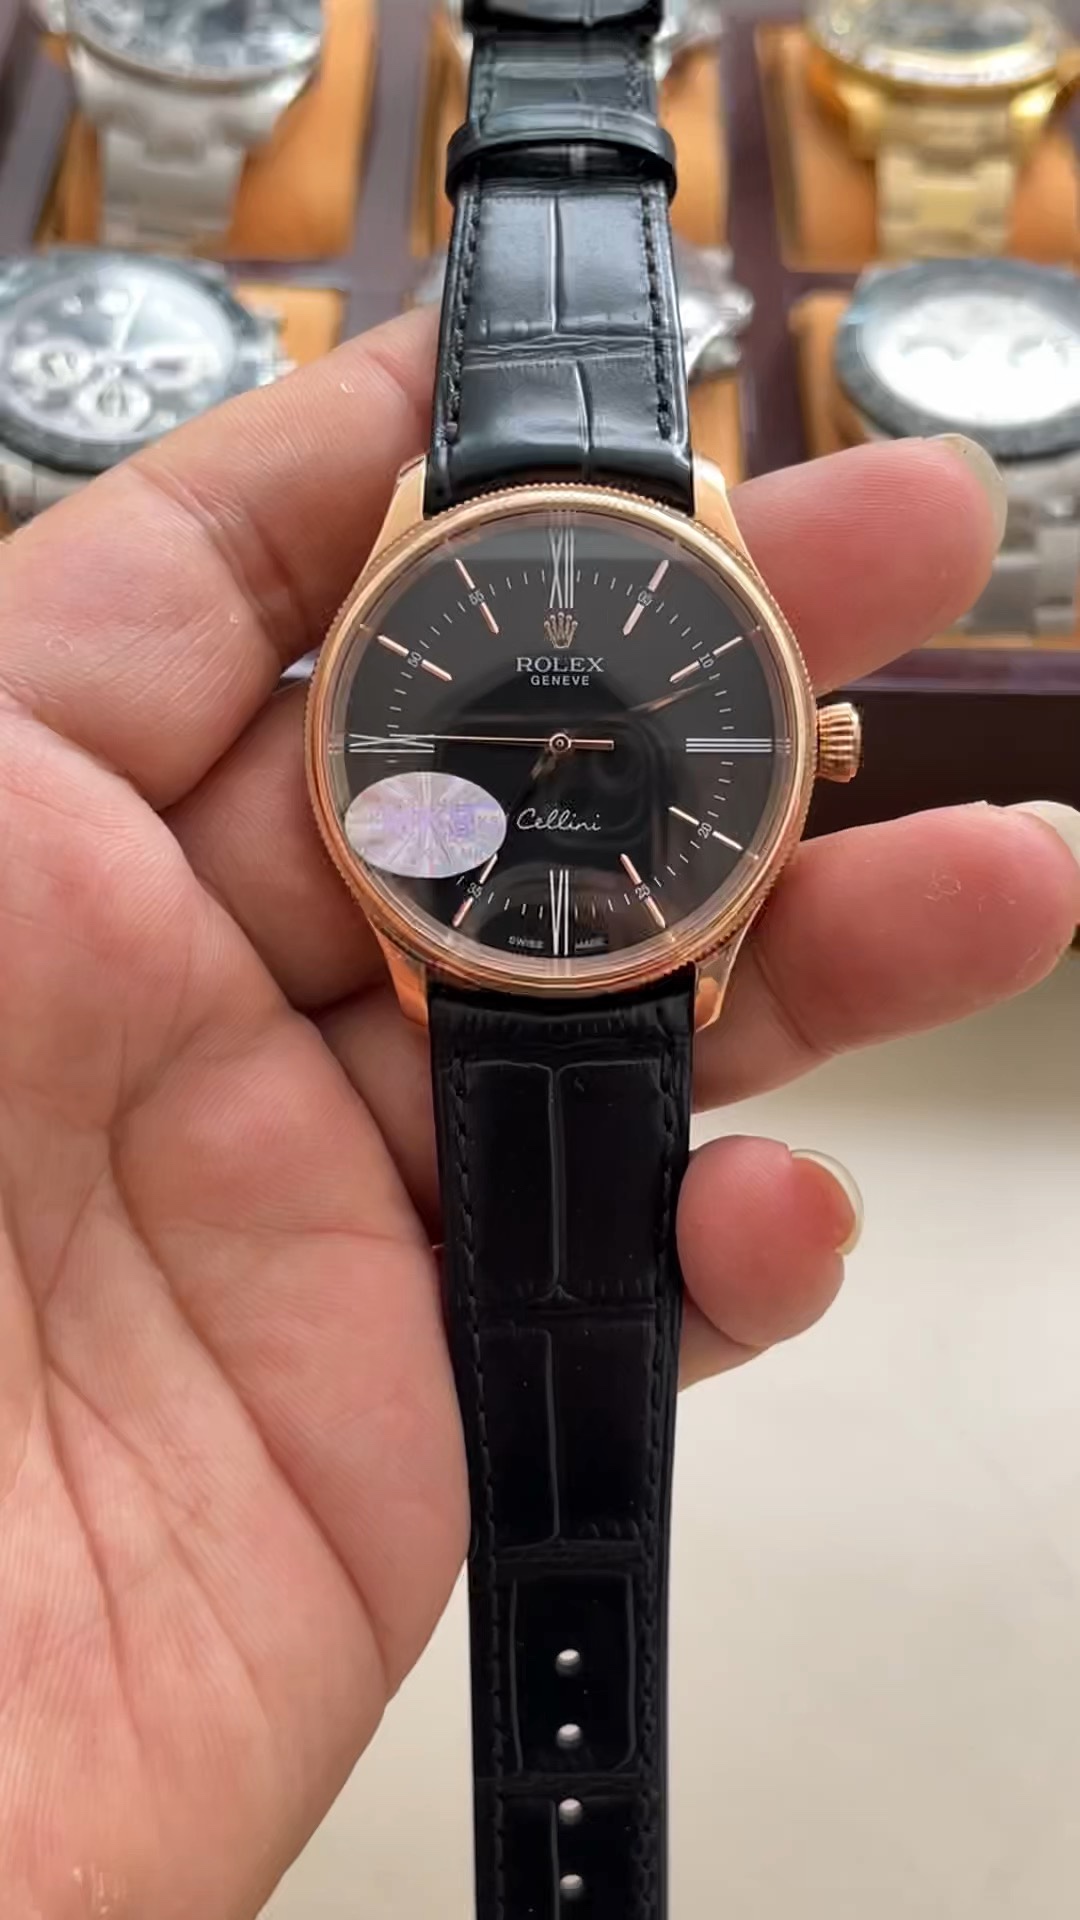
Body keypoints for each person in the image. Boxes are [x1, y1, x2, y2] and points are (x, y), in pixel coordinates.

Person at [0, 308, 1076, 1918]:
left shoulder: (583, 646)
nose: (569, 744)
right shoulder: (521, 634)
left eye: (593, 742)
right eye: (543, 736)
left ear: (813, 744)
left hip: (616, 950)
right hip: (475, 944)